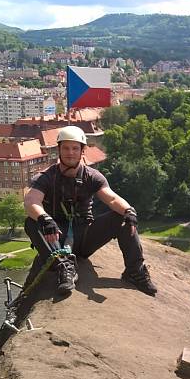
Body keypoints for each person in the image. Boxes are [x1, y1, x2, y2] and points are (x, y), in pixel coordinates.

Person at [23, 126, 157, 296]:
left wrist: (129, 211)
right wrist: (44, 218)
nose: (70, 153)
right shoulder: (46, 177)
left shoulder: (92, 176)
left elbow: (112, 199)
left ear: (82, 151)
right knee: (32, 222)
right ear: (58, 150)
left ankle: (135, 270)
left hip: (85, 235)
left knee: (122, 217)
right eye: (65, 148)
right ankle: (63, 267)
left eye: (75, 148)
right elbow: (31, 200)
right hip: (56, 235)